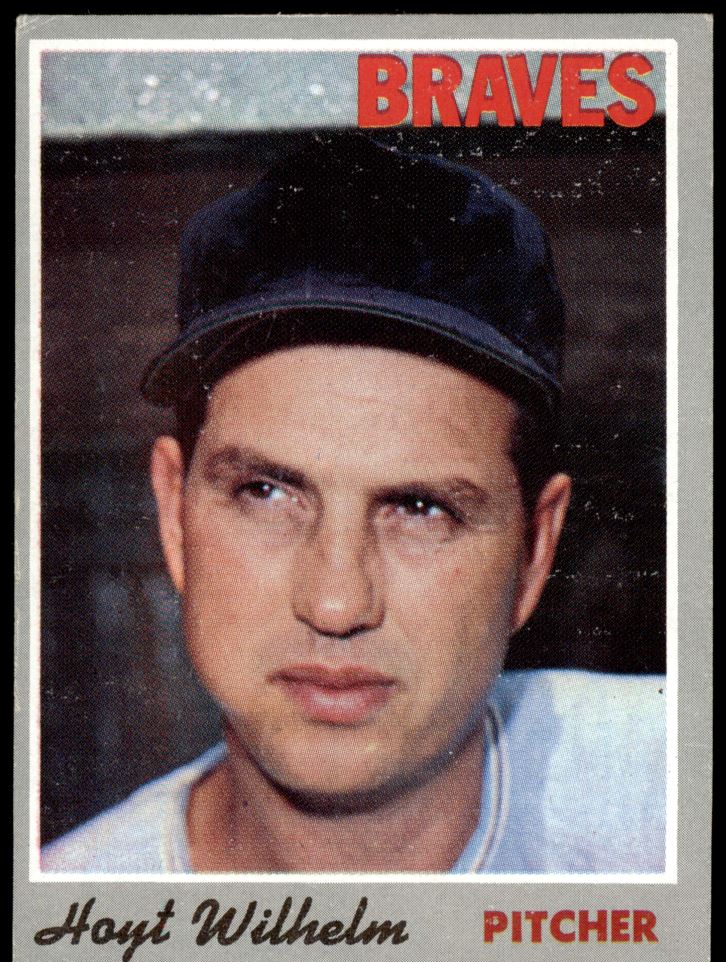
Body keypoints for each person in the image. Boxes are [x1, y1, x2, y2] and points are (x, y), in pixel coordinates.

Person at [41, 134, 666, 875]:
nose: (336, 605)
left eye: (421, 508)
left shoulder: (666, 798)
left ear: (535, 552)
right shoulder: (75, 904)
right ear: (174, 514)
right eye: (265, 492)